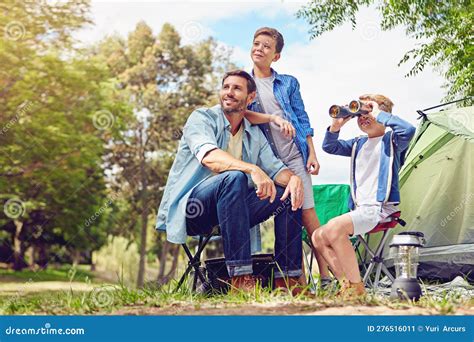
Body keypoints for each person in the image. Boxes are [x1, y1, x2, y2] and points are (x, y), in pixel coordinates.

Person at [156, 70, 306, 295]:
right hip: (195, 210)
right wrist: (252, 168)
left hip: (235, 211)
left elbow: (276, 169)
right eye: (226, 87)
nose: (229, 92)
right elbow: (211, 159)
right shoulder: (202, 118)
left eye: (237, 88)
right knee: (234, 177)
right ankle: (241, 278)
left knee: (290, 192)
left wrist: (294, 179)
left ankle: (287, 280)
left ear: (250, 97)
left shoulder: (254, 134)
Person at [243, 27, 331, 285]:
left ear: (276, 56)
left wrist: (311, 151)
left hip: (295, 157)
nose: (259, 48)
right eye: (256, 43)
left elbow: (301, 117)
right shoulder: (244, 83)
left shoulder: (288, 83)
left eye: (266, 46)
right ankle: (297, 281)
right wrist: (272, 118)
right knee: (289, 217)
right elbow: (243, 114)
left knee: (307, 217)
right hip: (267, 161)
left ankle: (325, 276)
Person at [312, 94, 416, 299]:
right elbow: (329, 146)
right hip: (361, 209)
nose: (363, 117)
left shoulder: (393, 140)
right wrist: (336, 125)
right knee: (317, 236)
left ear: (382, 114)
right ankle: (347, 285)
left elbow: (409, 129)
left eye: (368, 112)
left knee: (334, 228)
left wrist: (378, 112)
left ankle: (357, 287)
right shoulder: (357, 143)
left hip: (380, 208)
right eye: (360, 114)